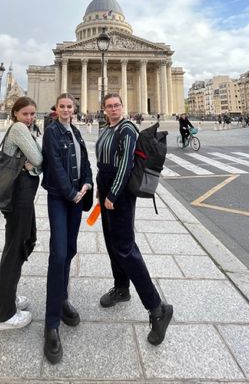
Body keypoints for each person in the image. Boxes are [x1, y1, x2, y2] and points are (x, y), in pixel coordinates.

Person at [96, 93, 173, 346]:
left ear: (122, 107)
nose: (113, 109)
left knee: (126, 249)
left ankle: (157, 308)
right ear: (104, 109)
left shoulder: (127, 128)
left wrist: (114, 194)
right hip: (106, 190)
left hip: (119, 194)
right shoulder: (107, 128)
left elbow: (127, 163)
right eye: (109, 106)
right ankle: (122, 288)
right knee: (112, 244)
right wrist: (101, 190)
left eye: (117, 105)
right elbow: (104, 162)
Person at [42, 93, 93, 364]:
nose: (65, 110)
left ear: (74, 109)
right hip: (60, 198)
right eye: (61, 106)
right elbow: (56, 166)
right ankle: (51, 324)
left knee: (70, 250)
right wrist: (71, 191)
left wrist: (86, 184)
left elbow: (85, 163)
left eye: (69, 107)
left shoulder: (75, 131)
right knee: (58, 254)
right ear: (56, 109)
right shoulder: (51, 132)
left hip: (76, 198)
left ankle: (62, 300)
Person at [0, 96, 43, 331]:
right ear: (15, 114)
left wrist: (35, 164)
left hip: (21, 197)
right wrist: (36, 163)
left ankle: (7, 297)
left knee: (24, 240)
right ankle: (4, 314)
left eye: (33, 114)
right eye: (26, 114)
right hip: (18, 196)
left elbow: (36, 161)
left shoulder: (23, 128)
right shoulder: (19, 129)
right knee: (15, 248)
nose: (30, 118)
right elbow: (38, 158)